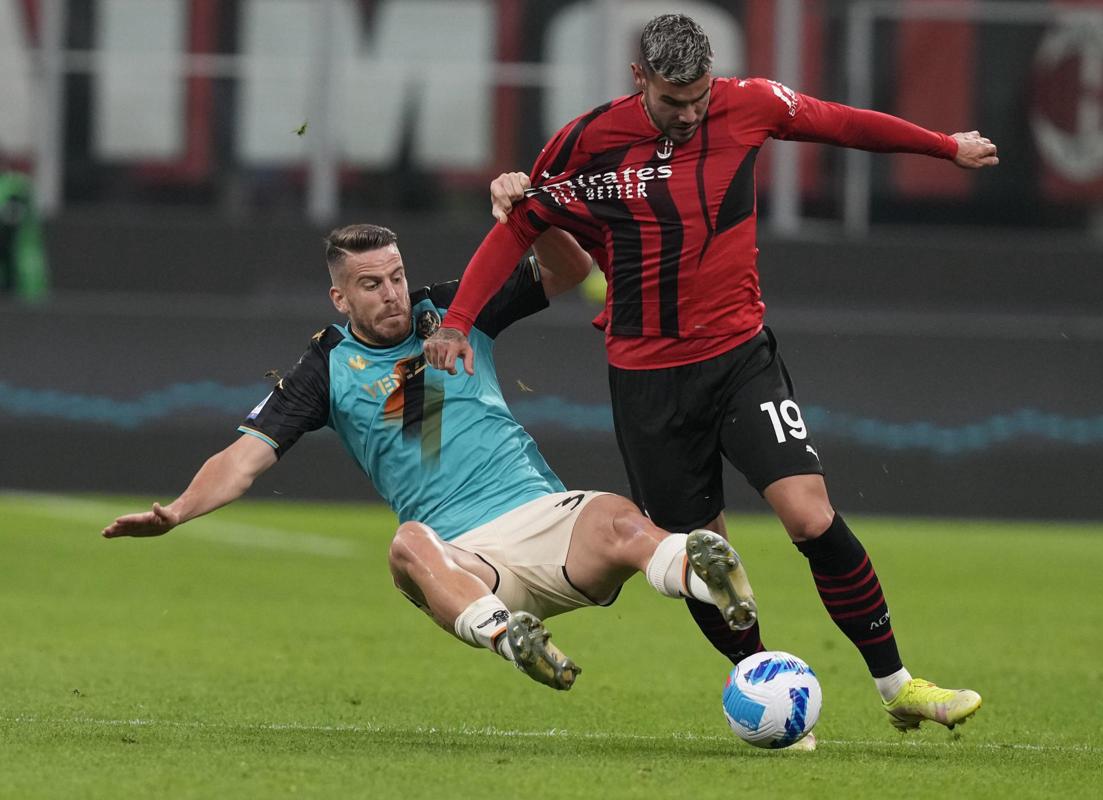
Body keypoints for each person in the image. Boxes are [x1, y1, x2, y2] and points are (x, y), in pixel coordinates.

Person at [423, 13, 996, 731]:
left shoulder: (748, 103)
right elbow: (520, 222)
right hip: (647, 382)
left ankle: (899, 686)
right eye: (673, 101)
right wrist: (459, 317)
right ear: (640, 78)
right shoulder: (585, 141)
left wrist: (944, 146)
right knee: (703, 553)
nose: (690, 114)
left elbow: (841, 123)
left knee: (810, 516)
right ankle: (763, 689)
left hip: (739, 359)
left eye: (699, 98)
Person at [100, 223, 759, 692]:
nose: (391, 293)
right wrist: (179, 511)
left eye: (396, 276)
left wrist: (530, 215)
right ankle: (511, 638)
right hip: (465, 561)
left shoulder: (451, 307)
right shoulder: (323, 368)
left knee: (617, 515)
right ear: (340, 299)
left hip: (545, 520)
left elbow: (569, 271)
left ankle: (703, 572)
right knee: (407, 543)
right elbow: (243, 460)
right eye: (370, 284)